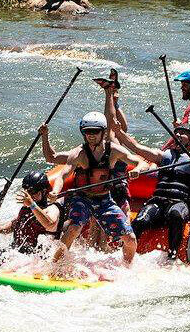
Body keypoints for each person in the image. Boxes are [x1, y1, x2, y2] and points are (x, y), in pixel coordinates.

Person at [40, 112, 146, 265]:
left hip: (105, 200)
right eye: (87, 131)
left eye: (95, 131)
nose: (91, 135)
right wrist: (56, 191)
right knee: (74, 228)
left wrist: (138, 169)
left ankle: (127, 267)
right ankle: (54, 264)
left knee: (130, 239)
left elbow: (138, 161)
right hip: (82, 198)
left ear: (103, 132)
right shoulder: (79, 153)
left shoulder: (113, 150)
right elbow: (63, 175)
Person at [116, 123, 190, 259]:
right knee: (140, 220)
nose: (178, 135)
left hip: (179, 203)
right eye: (177, 133)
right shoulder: (164, 156)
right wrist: (119, 131)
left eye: (183, 133)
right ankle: (125, 255)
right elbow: (136, 147)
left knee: (176, 214)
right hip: (158, 203)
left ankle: (172, 256)